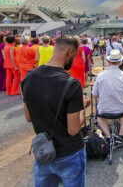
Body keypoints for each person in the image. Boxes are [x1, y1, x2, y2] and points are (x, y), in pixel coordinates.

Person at [22, 36, 90, 186]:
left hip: (44, 151)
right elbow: (73, 129)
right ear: (70, 51)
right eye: (73, 56)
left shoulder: (29, 77)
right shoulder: (71, 84)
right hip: (69, 152)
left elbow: (28, 117)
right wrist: (83, 108)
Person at [92, 49, 123, 141]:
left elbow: (94, 94)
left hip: (104, 110)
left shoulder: (100, 75)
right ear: (120, 62)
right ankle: (121, 134)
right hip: (121, 109)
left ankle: (108, 135)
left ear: (108, 61)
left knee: (99, 116)